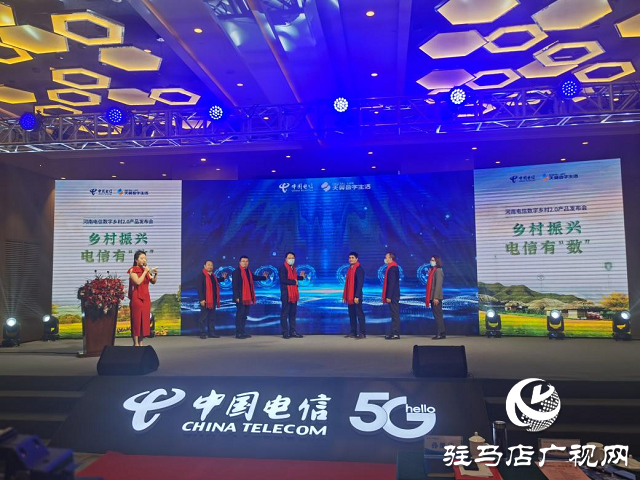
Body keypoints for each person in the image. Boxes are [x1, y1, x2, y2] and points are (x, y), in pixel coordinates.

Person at [231, 256, 268, 339]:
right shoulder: (236, 272)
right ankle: (238, 333)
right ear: (240, 262)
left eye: (246, 261)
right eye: (243, 261)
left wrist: (264, 277)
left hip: (247, 297)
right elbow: (235, 285)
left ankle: (243, 332)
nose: (245, 262)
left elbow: (254, 277)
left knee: (244, 315)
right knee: (240, 315)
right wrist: (236, 296)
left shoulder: (248, 271)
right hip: (240, 297)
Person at [127, 250, 157, 347]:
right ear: (136, 260)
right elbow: (138, 282)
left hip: (146, 298)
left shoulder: (145, 270)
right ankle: (135, 343)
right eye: (141, 258)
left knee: (144, 321)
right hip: (137, 298)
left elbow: (153, 281)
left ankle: (141, 343)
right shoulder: (132, 270)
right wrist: (145, 272)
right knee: (136, 321)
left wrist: (155, 274)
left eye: (145, 258)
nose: (144, 260)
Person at [196, 260, 228, 339]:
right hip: (205, 300)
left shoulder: (213, 275)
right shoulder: (201, 275)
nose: (210, 266)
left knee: (212, 317)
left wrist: (223, 278)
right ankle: (202, 333)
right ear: (204, 266)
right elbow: (199, 288)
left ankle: (211, 333)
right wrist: (201, 299)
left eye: (211, 265)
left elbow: (216, 280)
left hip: (213, 300)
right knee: (203, 318)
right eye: (208, 265)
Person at [278, 252, 306, 339]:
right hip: (286, 294)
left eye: (292, 258)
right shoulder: (283, 268)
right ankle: (285, 332)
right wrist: (294, 282)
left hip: (293, 294)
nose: (291, 259)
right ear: (286, 259)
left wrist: (301, 277)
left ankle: (292, 331)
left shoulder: (293, 268)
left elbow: (293, 278)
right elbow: (283, 280)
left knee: (292, 313)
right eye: (289, 258)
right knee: (285, 314)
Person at [343, 251, 366, 339]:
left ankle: (362, 333)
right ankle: (353, 332)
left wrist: (357, 296)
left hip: (356, 296)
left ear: (357, 259)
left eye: (353, 258)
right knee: (352, 315)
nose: (351, 259)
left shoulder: (359, 269)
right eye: (350, 258)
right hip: (350, 296)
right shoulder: (350, 269)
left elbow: (360, 284)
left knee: (359, 315)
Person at [426, 255, 445, 339]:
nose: (431, 261)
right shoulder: (433, 271)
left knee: (438, 316)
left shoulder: (438, 271)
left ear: (437, 261)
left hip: (436, 297)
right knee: (437, 315)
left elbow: (438, 285)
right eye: (431, 260)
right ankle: (442, 333)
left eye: (433, 260)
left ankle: (440, 333)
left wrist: (436, 297)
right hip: (432, 296)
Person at [382, 252, 401, 340]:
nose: (385, 259)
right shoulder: (392, 267)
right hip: (393, 294)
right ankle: (394, 332)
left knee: (394, 314)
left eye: (386, 257)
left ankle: (396, 333)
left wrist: (389, 296)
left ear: (390, 258)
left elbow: (392, 283)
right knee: (393, 314)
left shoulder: (392, 268)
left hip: (393, 295)